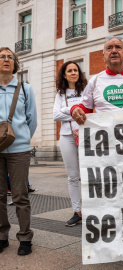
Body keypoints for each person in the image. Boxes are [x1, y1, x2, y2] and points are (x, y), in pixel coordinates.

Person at [0, 47, 37, 255]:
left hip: (19, 150)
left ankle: (25, 238)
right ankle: (2, 236)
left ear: (15, 64)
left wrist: (21, 139)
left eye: (10, 57)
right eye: (2, 57)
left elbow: (32, 120)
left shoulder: (25, 89)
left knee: (20, 195)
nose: (6, 60)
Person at [71, 36, 123, 124]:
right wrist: (75, 109)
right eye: (109, 48)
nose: (114, 51)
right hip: (106, 136)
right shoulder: (95, 81)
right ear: (104, 56)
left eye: (118, 47)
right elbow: (85, 108)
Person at [53, 61, 87, 226]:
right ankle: (77, 211)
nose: (73, 73)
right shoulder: (60, 94)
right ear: (64, 75)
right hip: (67, 136)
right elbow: (55, 115)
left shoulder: (86, 90)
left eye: (76, 70)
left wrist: (66, 110)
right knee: (73, 176)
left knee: (88, 174)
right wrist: (73, 111)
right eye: (69, 71)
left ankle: (93, 209)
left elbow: (88, 111)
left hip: (86, 135)